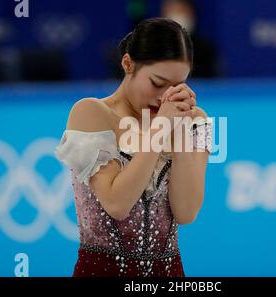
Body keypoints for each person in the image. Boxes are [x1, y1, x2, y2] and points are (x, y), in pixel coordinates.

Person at [55, 17, 212, 277]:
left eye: (176, 87)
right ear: (128, 64)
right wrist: (161, 127)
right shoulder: (91, 112)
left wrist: (181, 128)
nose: (165, 97)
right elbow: (117, 203)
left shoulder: (195, 119)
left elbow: (186, 212)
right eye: (157, 83)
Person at [161, 0, 219, 77]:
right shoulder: (155, 47)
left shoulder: (204, 48)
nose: (176, 16)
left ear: (191, 14)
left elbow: (211, 80)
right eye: (171, 10)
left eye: (180, 11)